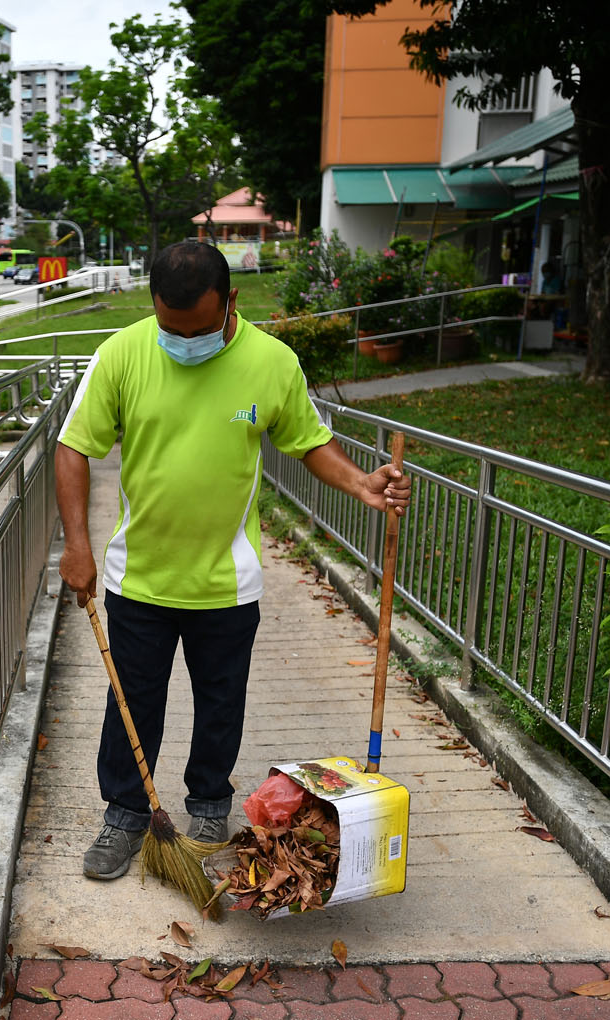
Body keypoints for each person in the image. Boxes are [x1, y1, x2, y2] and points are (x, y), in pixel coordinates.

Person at [55, 241, 411, 881]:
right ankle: (125, 813)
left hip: (227, 581)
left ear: (232, 302)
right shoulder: (121, 355)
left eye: (201, 330)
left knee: (221, 702)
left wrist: (361, 482)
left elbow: (309, 441)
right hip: (140, 577)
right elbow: (74, 446)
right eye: (172, 329)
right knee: (132, 702)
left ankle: (209, 807)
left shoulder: (271, 363)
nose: (186, 342)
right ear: (153, 306)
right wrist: (76, 543)